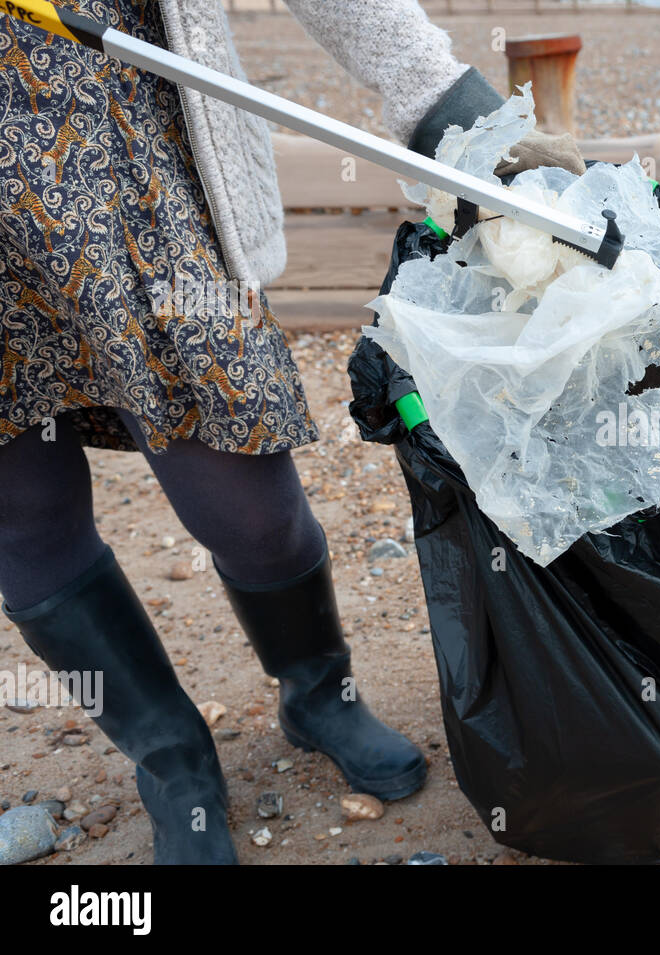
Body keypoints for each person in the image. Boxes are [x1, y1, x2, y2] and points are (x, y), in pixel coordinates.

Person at [0, 0, 582, 864]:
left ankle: (318, 691)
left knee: (253, 508)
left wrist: (441, 99)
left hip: (137, 165)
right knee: (24, 513)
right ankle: (171, 755)